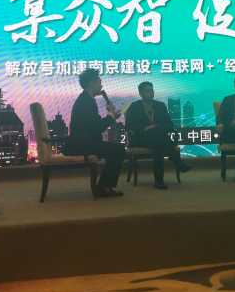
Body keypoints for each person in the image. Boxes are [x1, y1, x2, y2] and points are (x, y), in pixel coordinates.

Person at [68, 68, 125, 197]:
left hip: (85, 142)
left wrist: (110, 116)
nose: (101, 85)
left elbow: (94, 125)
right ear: (91, 83)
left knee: (116, 149)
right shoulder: (86, 102)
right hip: (81, 144)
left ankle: (105, 186)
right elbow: (97, 127)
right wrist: (110, 116)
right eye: (99, 82)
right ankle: (104, 187)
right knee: (118, 150)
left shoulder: (86, 99)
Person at [125, 81, 192, 189]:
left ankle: (159, 181)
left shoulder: (160, 106)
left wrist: (155, 126)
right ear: (140, 93)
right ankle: (177, 162)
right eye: (147, 91)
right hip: (140, 139)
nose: (150, 93)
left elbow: (169, 125)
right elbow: (129, 126)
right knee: (159, 139)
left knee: (158, 142)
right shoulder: (134, 107)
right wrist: (146, 129)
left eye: (152, 90)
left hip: (157, 139)